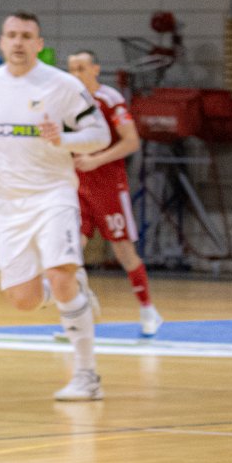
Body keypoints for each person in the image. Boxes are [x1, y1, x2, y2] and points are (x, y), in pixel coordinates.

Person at [0, 14, 112, 401]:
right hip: (8, 204)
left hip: (53, 195)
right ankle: (71, 288)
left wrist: (65, 140)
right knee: (22, 300)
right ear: (1, 41)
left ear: (39, 44)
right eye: (12, 35)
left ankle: (87, 375)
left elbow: (101, 135)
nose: (18, 42)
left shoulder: (62, 85)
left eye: (26, 36)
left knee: (59, 275)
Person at [66, 50, 160, 337]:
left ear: (95, 69)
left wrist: (96, 160)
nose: (75, 74)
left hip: (108, 185)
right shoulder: (66, 101)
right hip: (76, 185)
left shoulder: (110, 99)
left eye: (81, 68)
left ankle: (148, 310)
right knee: (70, 249)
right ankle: (79, 314)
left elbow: (131, 142)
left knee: (123, 250)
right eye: (71, 69)